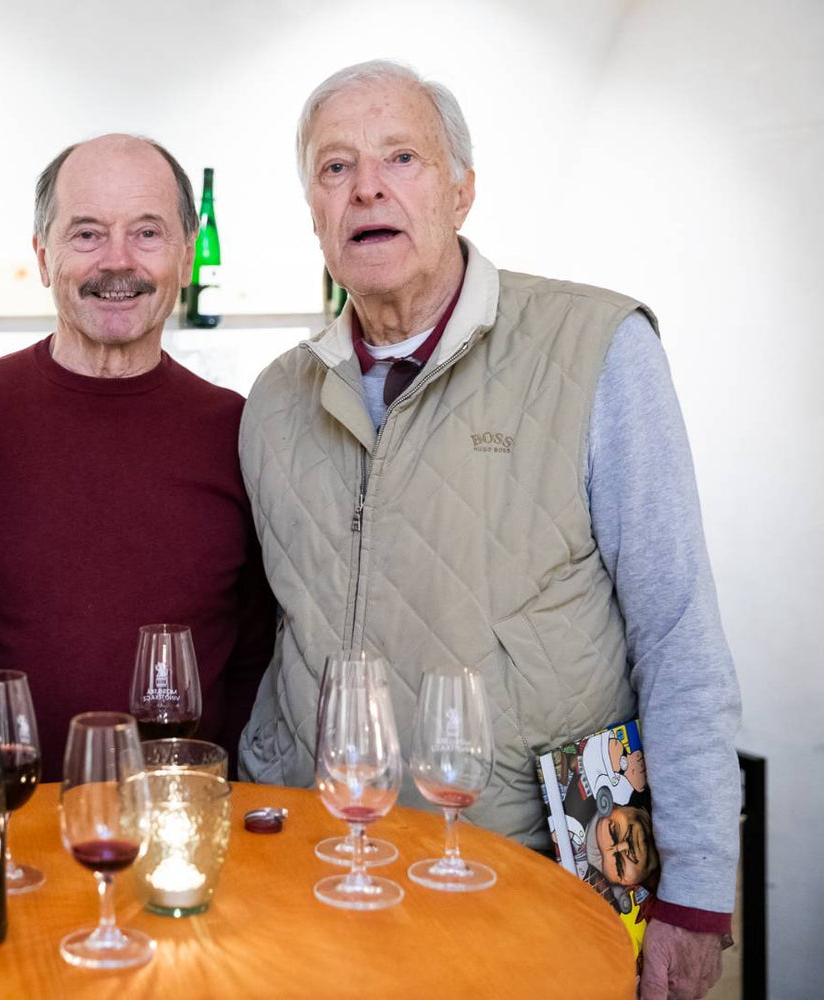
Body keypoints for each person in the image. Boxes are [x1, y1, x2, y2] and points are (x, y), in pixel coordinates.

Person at [237, 61, 739, 999]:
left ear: (462, 191)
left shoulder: (597, 349)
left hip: (533, 881)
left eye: (402, 157)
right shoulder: (272, 401)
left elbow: (678, 633)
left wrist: (698, 891)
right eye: (336, 167)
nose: (367, 187)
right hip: (321, 878)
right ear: (312, 209)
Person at [0, 134, 274, 778]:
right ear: (43, 256)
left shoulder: (238, 428)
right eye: (87, 234)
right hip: (4, 813)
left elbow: (258, 655)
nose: (118, 262)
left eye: (147, 233)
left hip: (184, 810)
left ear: (186, 254)